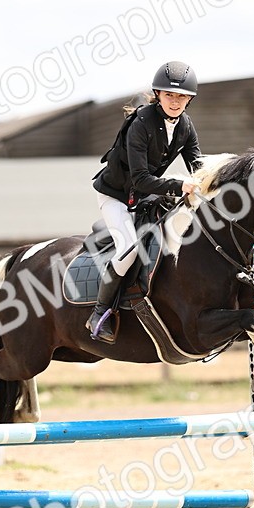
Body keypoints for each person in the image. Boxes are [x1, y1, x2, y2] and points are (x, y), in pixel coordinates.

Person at [87, 60, 203, 343]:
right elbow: (140, 179)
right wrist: (178, 185)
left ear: (189, 100)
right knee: (128, 250)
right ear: (159, 95)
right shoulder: (140, 124)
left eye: (181, 97)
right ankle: (99, 314)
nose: (175, 102)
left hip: (145, 194)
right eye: (170, 95)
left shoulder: (185, 126)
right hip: (115, 194)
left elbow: (198, 166)